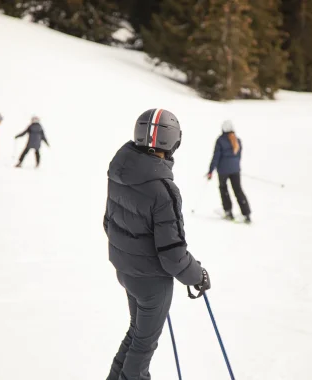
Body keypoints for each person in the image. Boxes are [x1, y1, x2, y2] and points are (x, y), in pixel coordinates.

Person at [104, 109, 211, 380]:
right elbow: (173, 254)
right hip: (152, 282)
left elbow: (109, 223)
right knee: (142, 347)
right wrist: (197, 274)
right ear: (172, 141)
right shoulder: (163, 189)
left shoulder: (120, 171)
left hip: (127, 272)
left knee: (136, 335)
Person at [207, 120, 251, 223]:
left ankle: (228, 212)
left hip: (223, 171)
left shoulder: (220, 140)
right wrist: (236, 167)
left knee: (223, 189)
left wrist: (210, 171)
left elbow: (216, 157)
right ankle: (246, 213)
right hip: (235, 170)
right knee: (238, 190)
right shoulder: (237, 140)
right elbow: (238, 156)